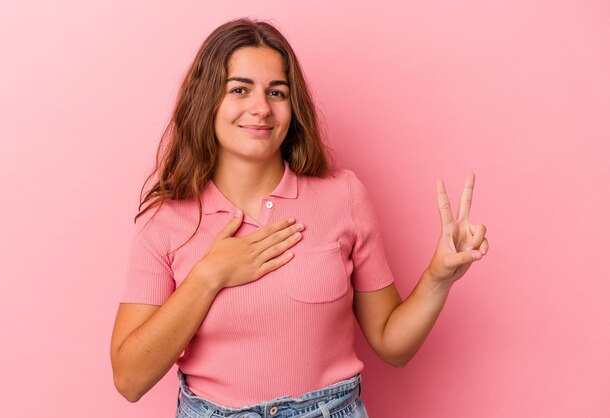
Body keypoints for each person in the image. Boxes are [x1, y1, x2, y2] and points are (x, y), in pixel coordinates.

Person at [110, 18, 489, 418]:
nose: (261, 108)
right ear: (208, 101)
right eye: (239, 89)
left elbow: (391, 345)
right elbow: (130, 379)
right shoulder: (165, 219)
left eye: (277, 92)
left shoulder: (343, 195)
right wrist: (208, 276)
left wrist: (439, 275)